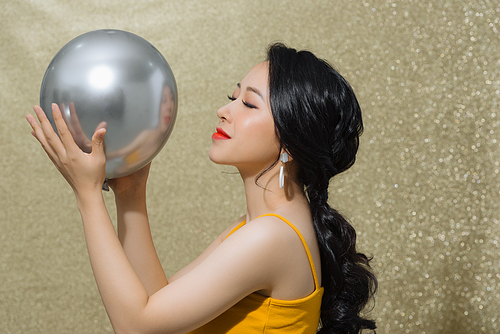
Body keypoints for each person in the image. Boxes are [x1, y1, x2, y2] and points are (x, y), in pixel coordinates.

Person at [27, 43, 377, 334]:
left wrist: (88, 196)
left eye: (249, 104)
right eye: (233, 96)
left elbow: (137, 327)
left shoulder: (271, 236)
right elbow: (157, 301)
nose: (224, 110)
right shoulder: (259, 228)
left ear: (291, 142)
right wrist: (130, 193)